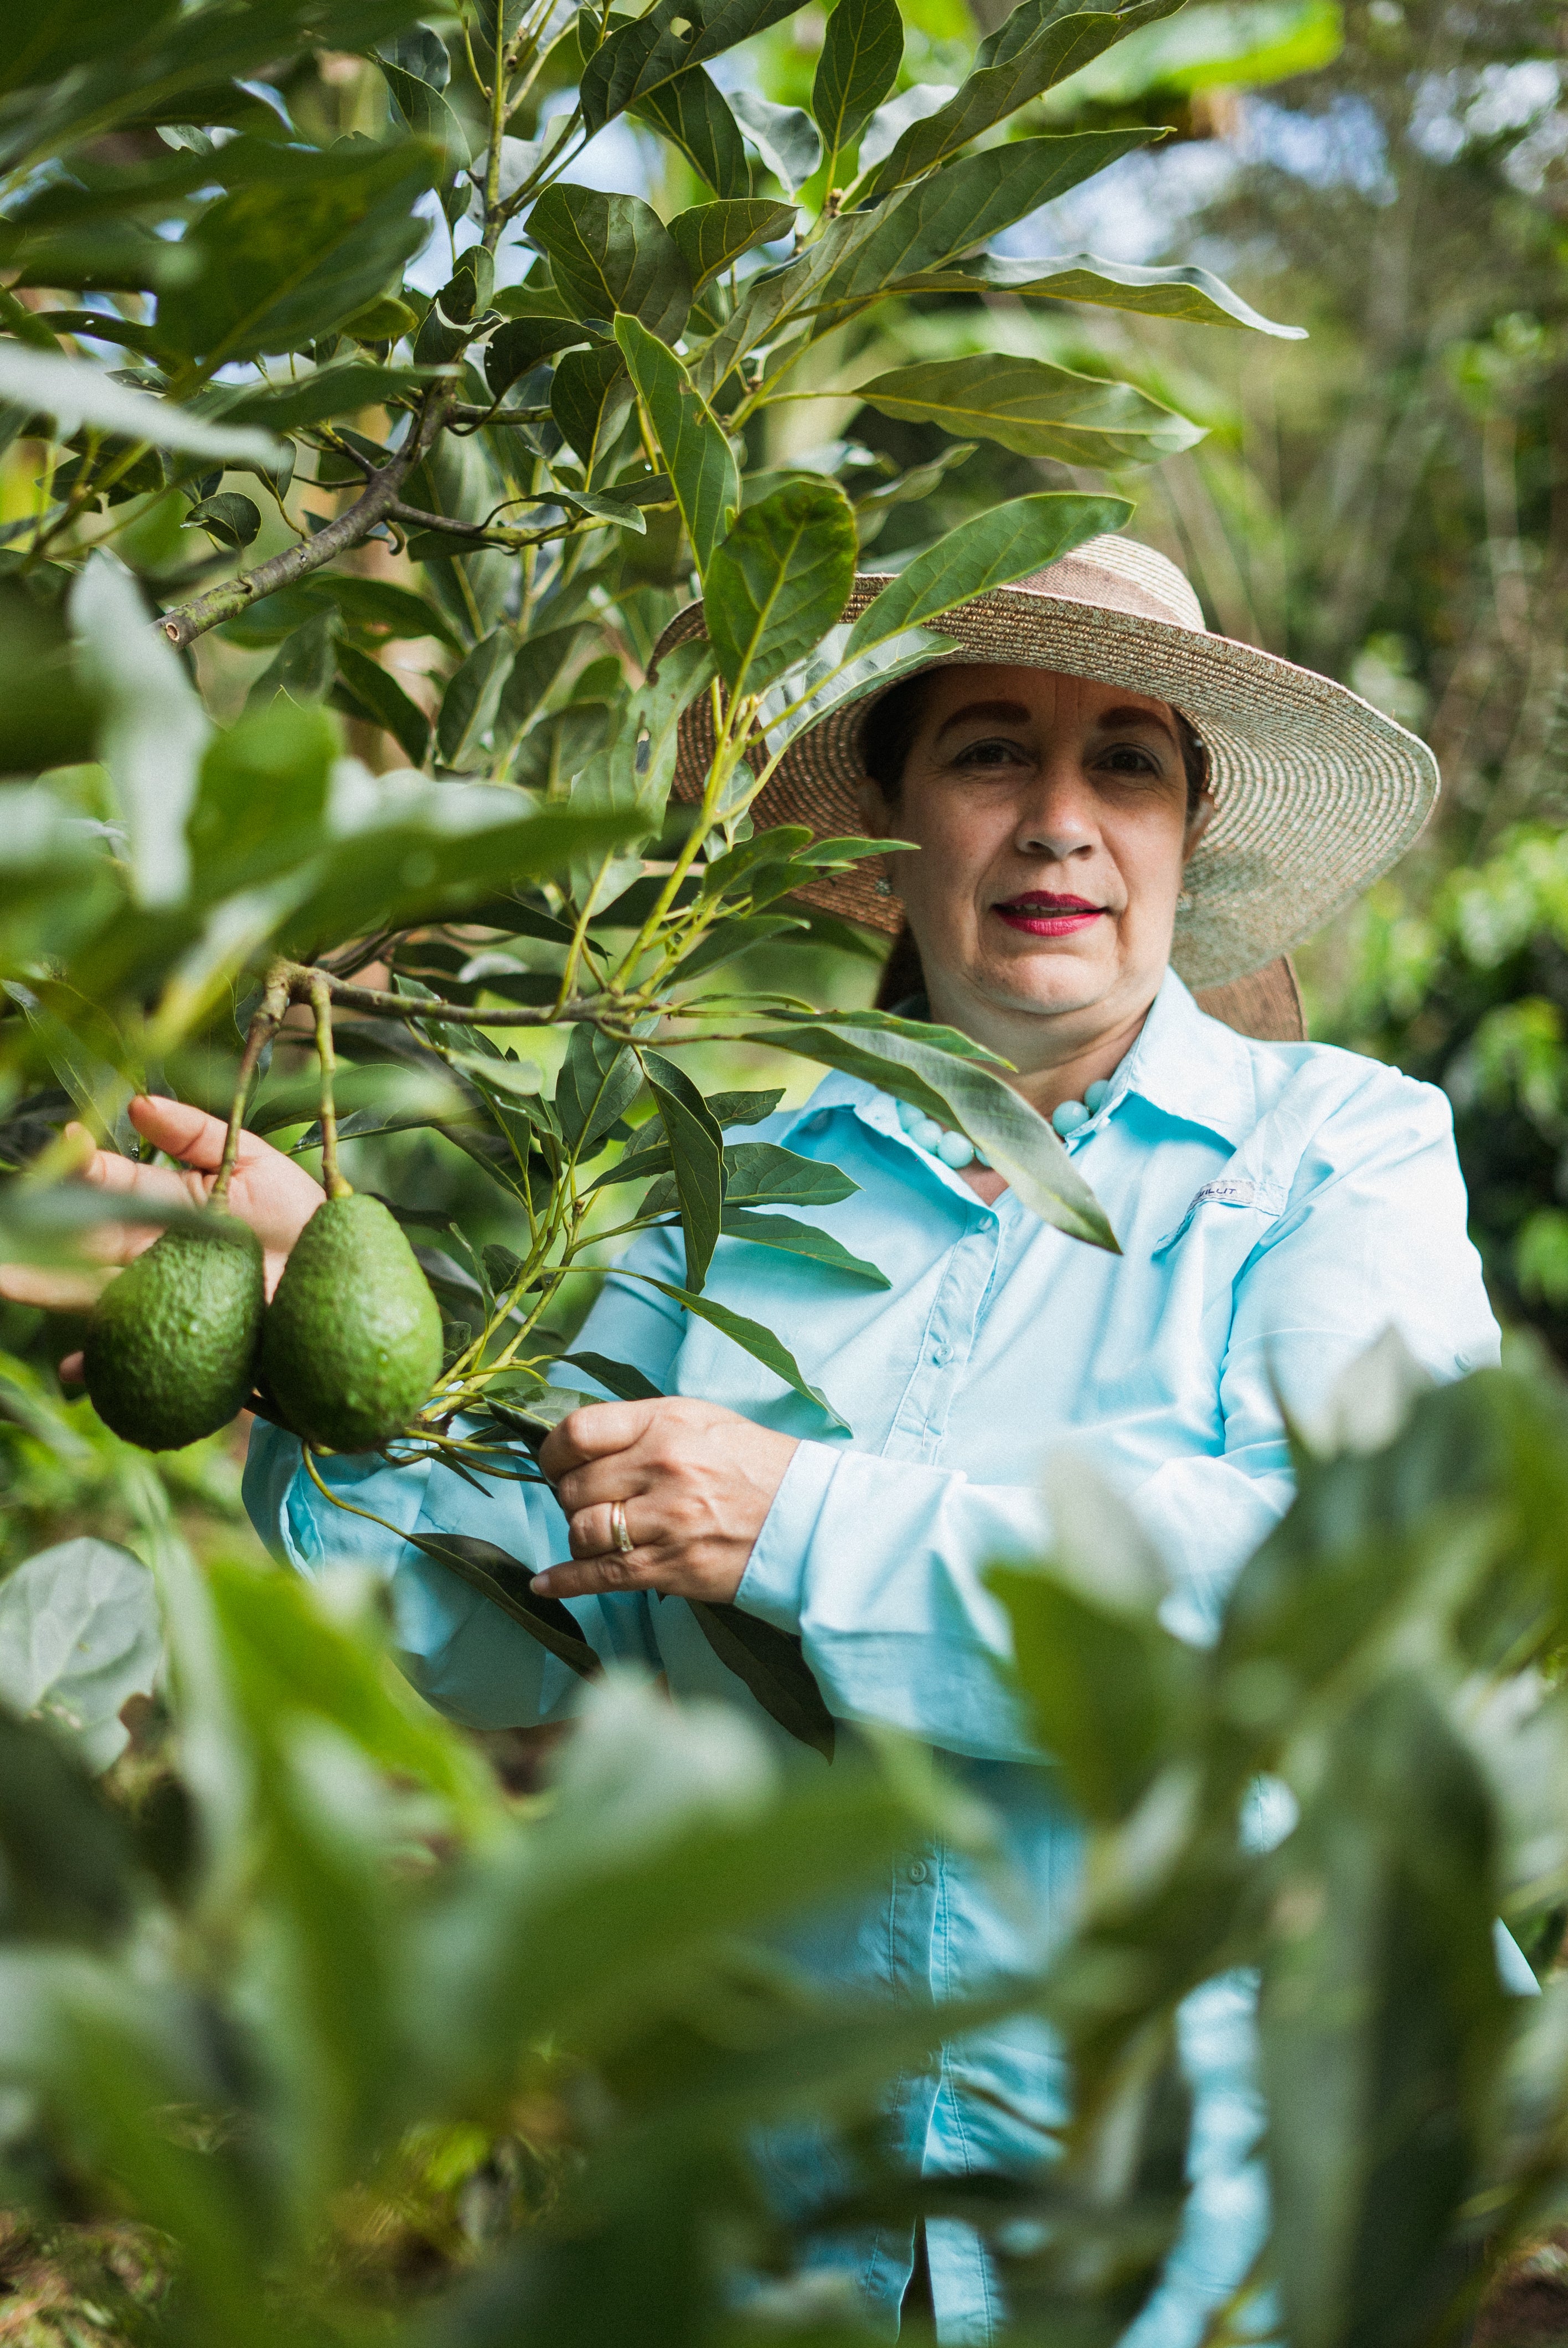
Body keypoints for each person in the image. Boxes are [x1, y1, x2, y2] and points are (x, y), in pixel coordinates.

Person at [25, 535, 1513, 2344]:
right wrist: (302, 1346)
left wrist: (801, 1521)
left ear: (1185, 836)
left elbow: (1322, 1598)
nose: (1059, 820)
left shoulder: (1339, 1154)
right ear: (893, 837)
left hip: (1220, 2245)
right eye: (989, 750)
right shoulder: (734, 1203)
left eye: (1124, 761)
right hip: (791, 2238)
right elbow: (549, 1638)